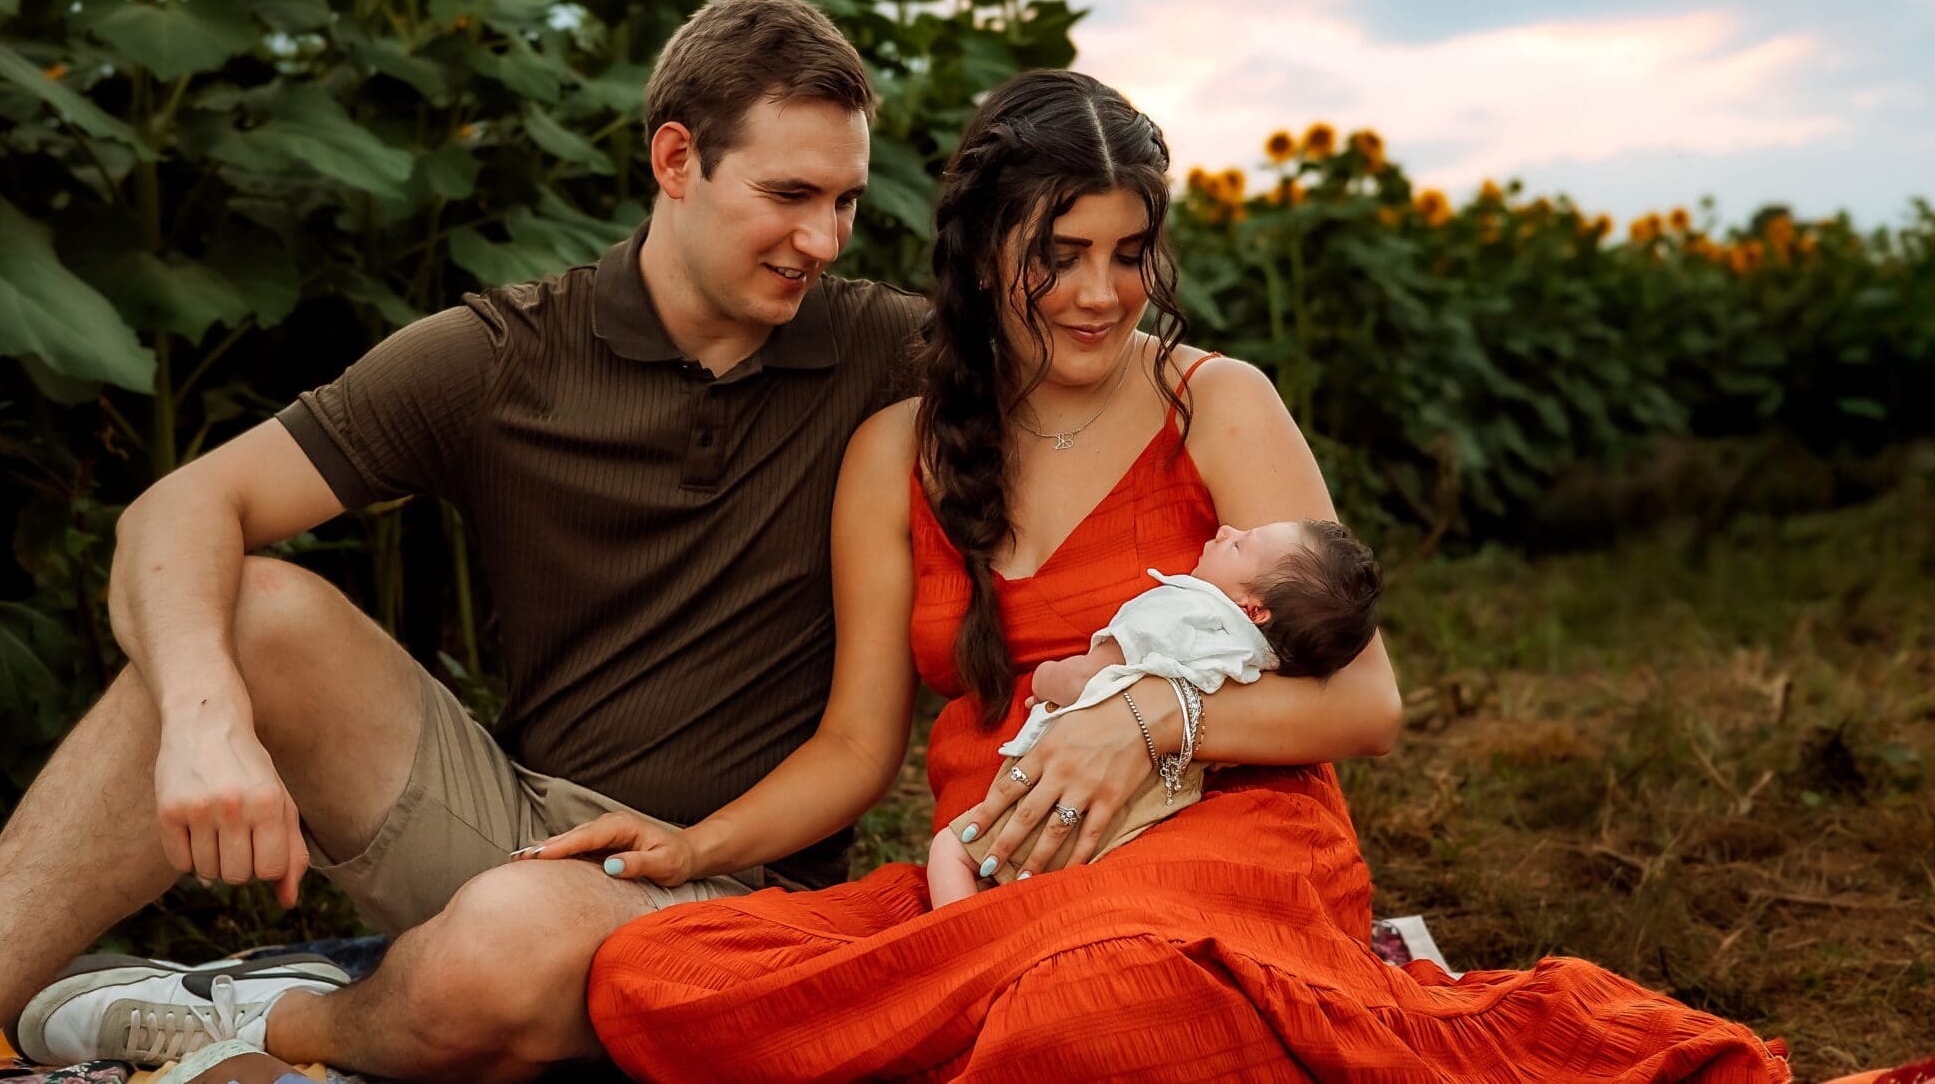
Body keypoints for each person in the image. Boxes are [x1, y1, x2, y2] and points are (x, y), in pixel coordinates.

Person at [548, 69, 1791, 1081]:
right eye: (1060, 254)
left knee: (1088, 1010)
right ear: (982, 252)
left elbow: (1364, 705)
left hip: (1217, 848)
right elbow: (855, 749)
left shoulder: (1216, 403)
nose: (1100, 293)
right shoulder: (893, 453)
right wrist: (687, 847)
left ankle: (1093, 1027)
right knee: (655, 979)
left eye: (1129, 253)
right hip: (993, 876)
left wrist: (1158, 715)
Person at [0, 0, 926, 1084]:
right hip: (523, 838)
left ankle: (267, 1019)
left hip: (746, 890)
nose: (822, 239)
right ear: (676, 160)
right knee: (250, 613)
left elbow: (1110, 369)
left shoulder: (887, 350)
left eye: (845, 201)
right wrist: (205, 723)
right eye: (789, 195)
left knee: (500, 950)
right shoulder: (505, 356)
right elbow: (180, 506)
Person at [927, 516, 1382, 906]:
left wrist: (1045, 678)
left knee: (953, 850)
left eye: (1241, 545)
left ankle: (962, 936)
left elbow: (1088, 678)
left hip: (1070, 781)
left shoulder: (1181, 609)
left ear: (1255, 608)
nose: (1226, 530)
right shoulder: (1262, 659)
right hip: (1155, 805)